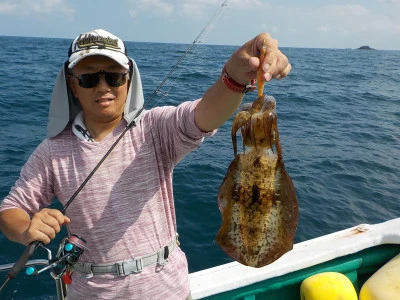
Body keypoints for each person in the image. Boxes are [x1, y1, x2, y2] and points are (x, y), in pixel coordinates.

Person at [0, 29, 291, 299]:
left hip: (167, 288)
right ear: (73, 86)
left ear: (128, 79)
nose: (103, 87)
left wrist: (235, 77)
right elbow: (10, 210)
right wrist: (26, 229)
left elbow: (205, 115)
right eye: (89, 79)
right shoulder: (52, 151)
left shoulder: (154, 128)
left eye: (114, 77)